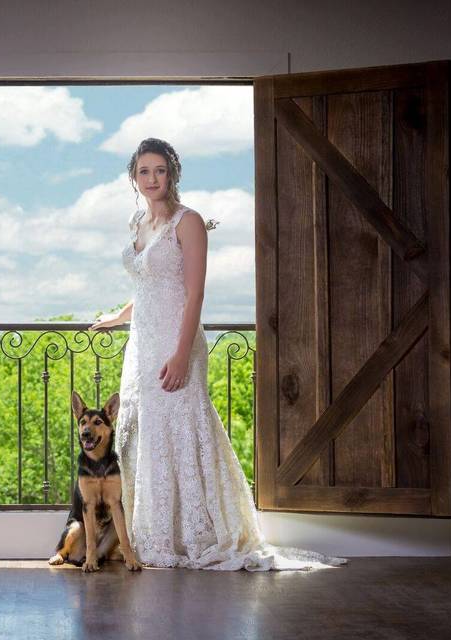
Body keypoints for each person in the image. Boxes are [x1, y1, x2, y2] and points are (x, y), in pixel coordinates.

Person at [89, 137, 347, 571]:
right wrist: (119, 317)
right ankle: (154, 532)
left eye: (160, 170)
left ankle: (198, 534)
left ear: (172, 174)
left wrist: (181, 352)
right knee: (149, 433)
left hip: (177, 342)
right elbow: (149, 284)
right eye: (143, 171)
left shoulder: (187, 222)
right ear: (133, 177)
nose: (152, 179)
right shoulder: (139, 222)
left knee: (184, 427)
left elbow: (194, 293)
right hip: (142, 342)